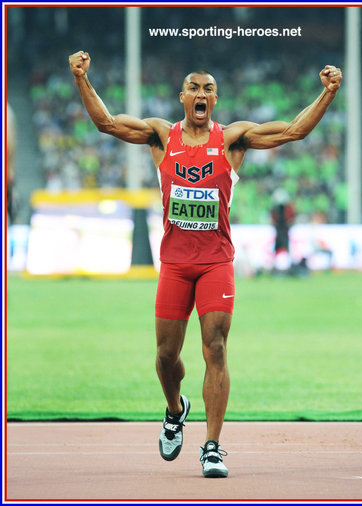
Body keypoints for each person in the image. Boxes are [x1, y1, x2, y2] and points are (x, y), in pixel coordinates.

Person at [69, 51, 342, 478]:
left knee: (215, 347)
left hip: (216, 262)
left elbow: (293, 131)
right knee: (164, 357)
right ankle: (176, 409)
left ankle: (212, 446)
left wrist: (327, 92)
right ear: (182, 97)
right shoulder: (162, 136)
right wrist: (81, 77)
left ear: (215, 100)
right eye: (194, 87)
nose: (201, 93)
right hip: (175, 264)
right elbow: (106, 122)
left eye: (208, 88)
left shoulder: (233, 139)